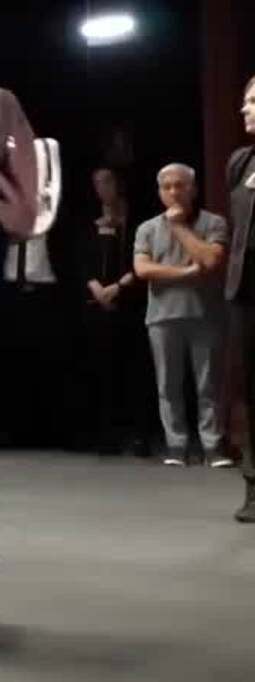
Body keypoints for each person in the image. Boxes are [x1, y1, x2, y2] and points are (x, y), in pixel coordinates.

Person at [133, 164, 231, 468]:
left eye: (180, 185)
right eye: (167, 187)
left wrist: (178, 228)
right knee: (168, 385)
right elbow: (142, 269)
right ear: (160, 192)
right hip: (161, 317)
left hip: (205, 315)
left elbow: (211, 259)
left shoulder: (214, 222)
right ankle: (176, 445)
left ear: (193, 189)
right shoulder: (147, 228)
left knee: (208, 385)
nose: (174, 192)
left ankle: (212, 446)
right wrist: (186, 273)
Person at [79, 167, 150, 456]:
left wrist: (118, 288)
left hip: (131, 302)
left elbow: (143, 260)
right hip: (98, 303)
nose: (102, 187)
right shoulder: (90, 222)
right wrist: (97, 288)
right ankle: (106, 434)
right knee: (102, 371)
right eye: (96, 182)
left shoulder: (138, 223)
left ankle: (141, 434)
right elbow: (81, 260)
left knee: (135, 371)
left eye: (106, 181)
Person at [225, 77, 255, 520]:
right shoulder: (240, 161)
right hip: (246, 289)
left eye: (252, 101)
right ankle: (253, 484)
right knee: (250, 391)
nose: (244, 108)